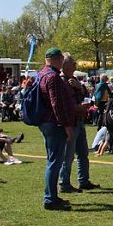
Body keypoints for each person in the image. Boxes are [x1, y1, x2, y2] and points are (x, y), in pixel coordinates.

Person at [37, 47, 77, 211]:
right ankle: (50, 198)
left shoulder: (41, 74)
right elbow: (57, 104)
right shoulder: (53, 77)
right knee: (55, 161)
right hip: (54, 123)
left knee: (52, 160)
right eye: (61, 59)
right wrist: (67, 126)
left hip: (46, 122)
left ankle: (52, 196)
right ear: (56, 59)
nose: (63, 62)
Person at [59, 53, 99, 193]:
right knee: (68, 155)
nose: (75, 65)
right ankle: (64, 183)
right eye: (73, 63)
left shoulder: (74, 80)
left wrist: (79, 87)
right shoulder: (61, 81)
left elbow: (85, 94)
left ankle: (83, 180)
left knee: (83, 153)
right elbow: (62, 105)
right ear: (65, 65)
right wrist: (78, 107)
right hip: (70, 122)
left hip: (80, 121)